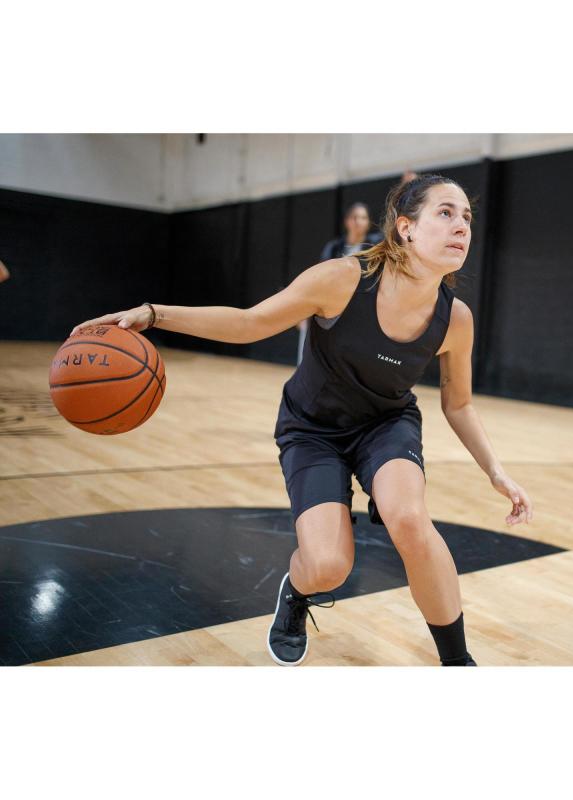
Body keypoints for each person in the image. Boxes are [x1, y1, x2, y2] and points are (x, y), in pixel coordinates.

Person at [69, 173, 534, 667]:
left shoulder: (455, 319)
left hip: (385, 425)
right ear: (406, 228)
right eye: (445, 212)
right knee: (329, 566)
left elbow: (458, 404)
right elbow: (249, 322)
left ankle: (457, 663)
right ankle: (296, 591)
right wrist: (153, 313)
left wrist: (496, 471)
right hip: (313, 429)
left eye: (467, 217)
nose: (461, 225)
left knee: (409, 519)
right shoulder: (342, 279)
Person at [295, 202, 382, 365]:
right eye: (355, 217)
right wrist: (305, 311)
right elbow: (319, 279)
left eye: (363, 218)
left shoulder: (375, 246)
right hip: (332, 309)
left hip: (362, 310)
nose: (359, 221)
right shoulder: (334, 248)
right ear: (347, 221)